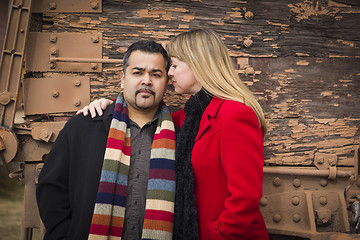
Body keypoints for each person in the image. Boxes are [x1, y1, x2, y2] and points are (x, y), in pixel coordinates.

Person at [78, 29, 269, 240]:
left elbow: (246, 198)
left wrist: (215, 234)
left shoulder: (235, 115)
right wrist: (111, 106)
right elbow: (146, 112)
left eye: (175, 65)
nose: (169, 73)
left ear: (198, 65)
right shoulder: (190, 116)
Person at [36, 40, 177, 240]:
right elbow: (51, 189)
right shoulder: (82, 126)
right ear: (122, 79)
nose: (147, 80)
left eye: (156, 74)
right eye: (137, 73)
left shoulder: (179, 136)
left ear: (166, 82)